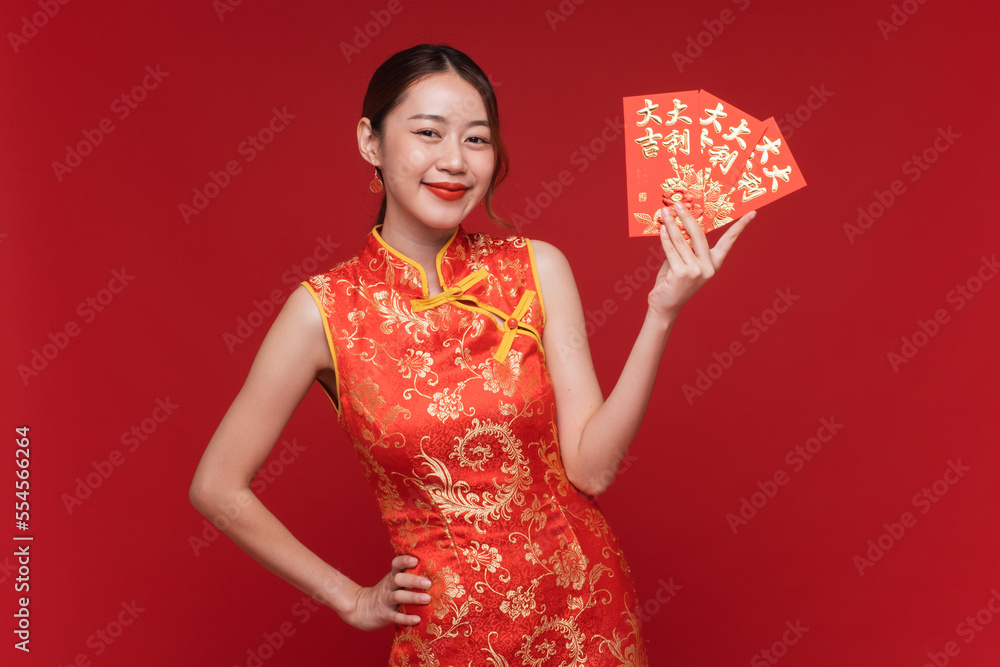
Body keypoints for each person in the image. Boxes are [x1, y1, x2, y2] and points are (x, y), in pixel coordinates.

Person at [189, 43, 753, 664]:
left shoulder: (538, 268)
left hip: (587, 619)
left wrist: (661, 311)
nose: (454, 160)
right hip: (451, 637)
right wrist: (351, 599)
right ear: (370, 142)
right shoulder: (322, 313)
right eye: (428, 133)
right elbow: (218, 486)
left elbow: (592, 470)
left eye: (477, 140)